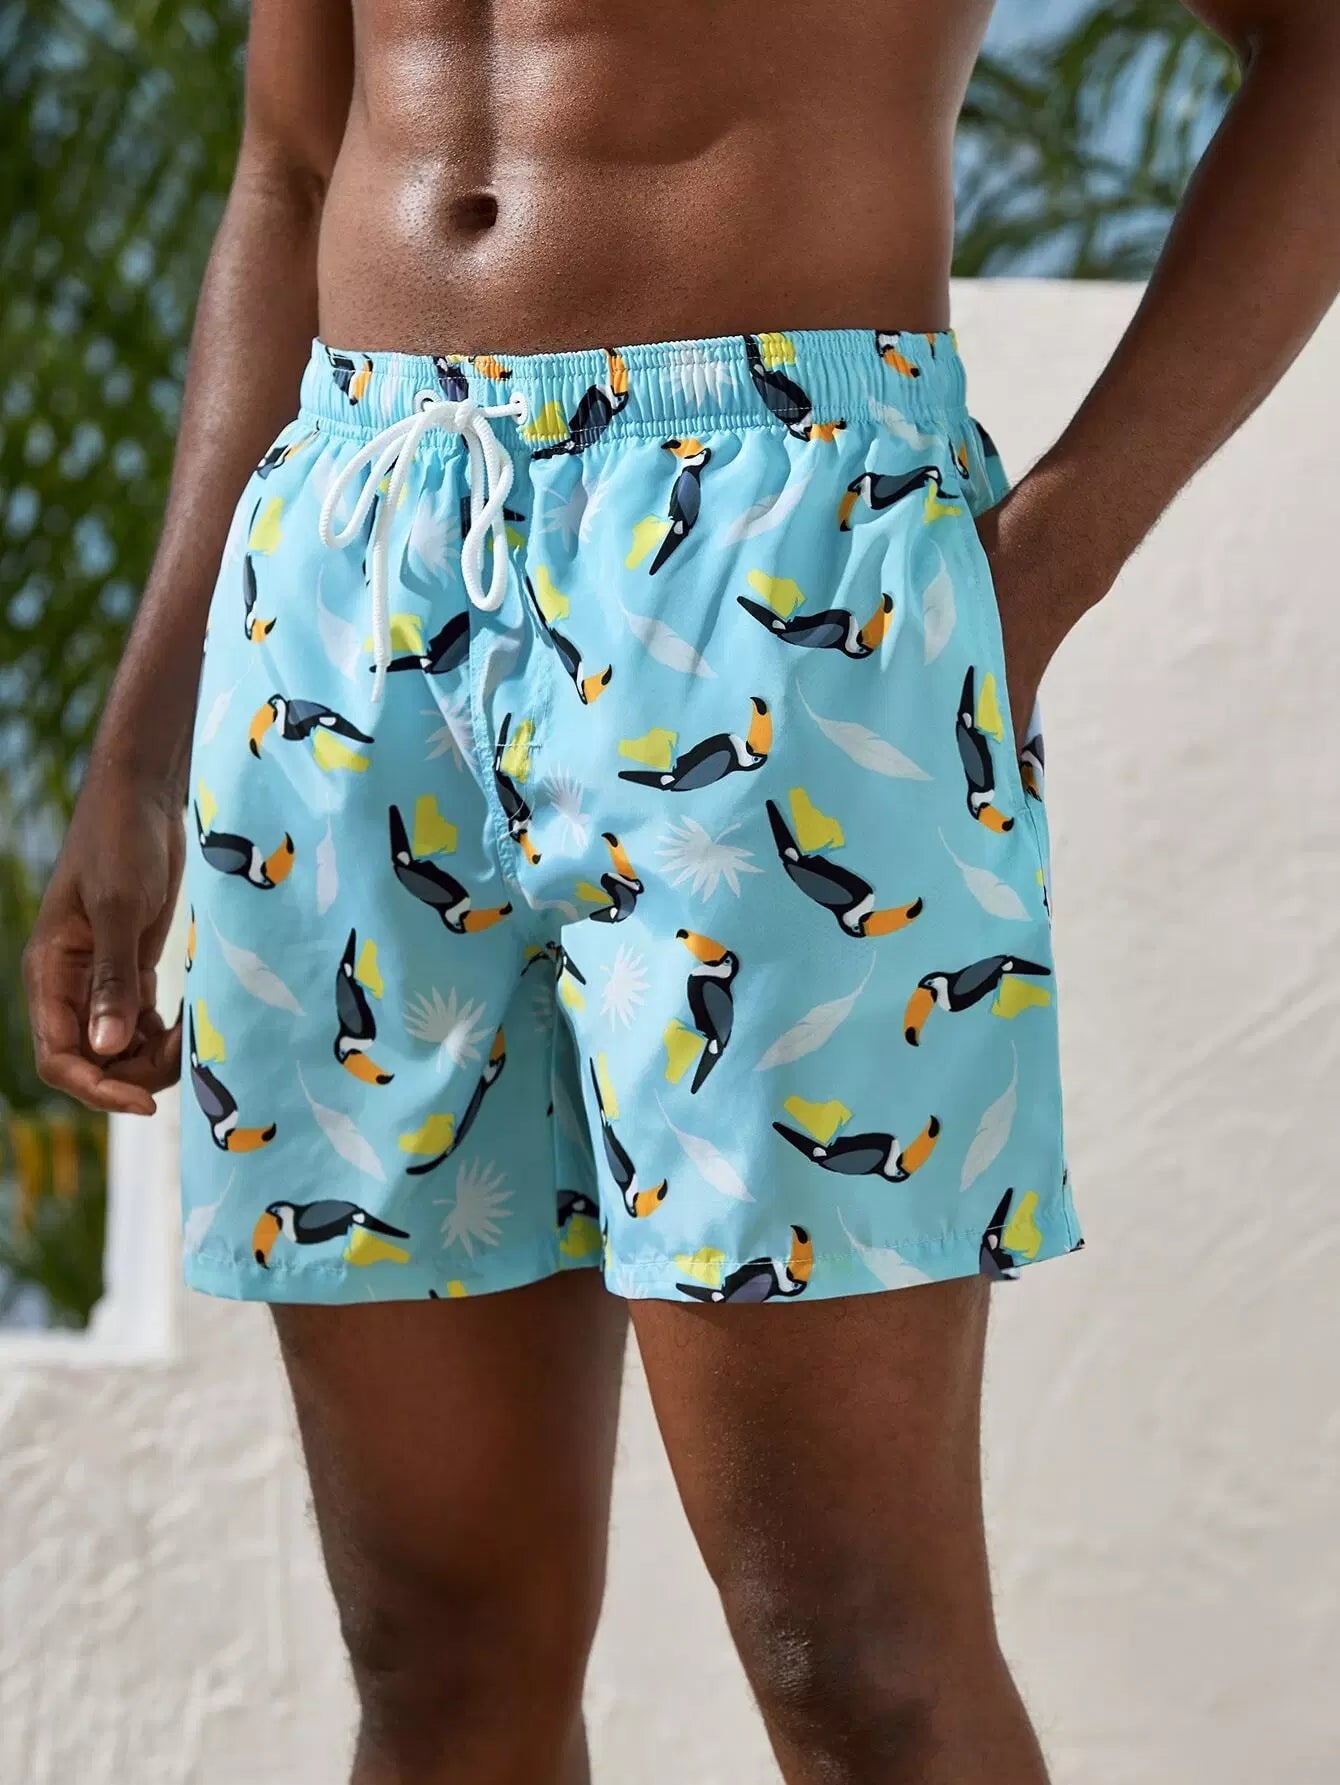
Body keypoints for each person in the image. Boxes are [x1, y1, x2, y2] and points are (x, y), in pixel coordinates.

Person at [21, 2, 1340, 1780]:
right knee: (435, 1650)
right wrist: (140, 741)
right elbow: (295, 159)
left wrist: (1037, 574)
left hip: (778, 561)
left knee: (851, 1647)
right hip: (346, 578)